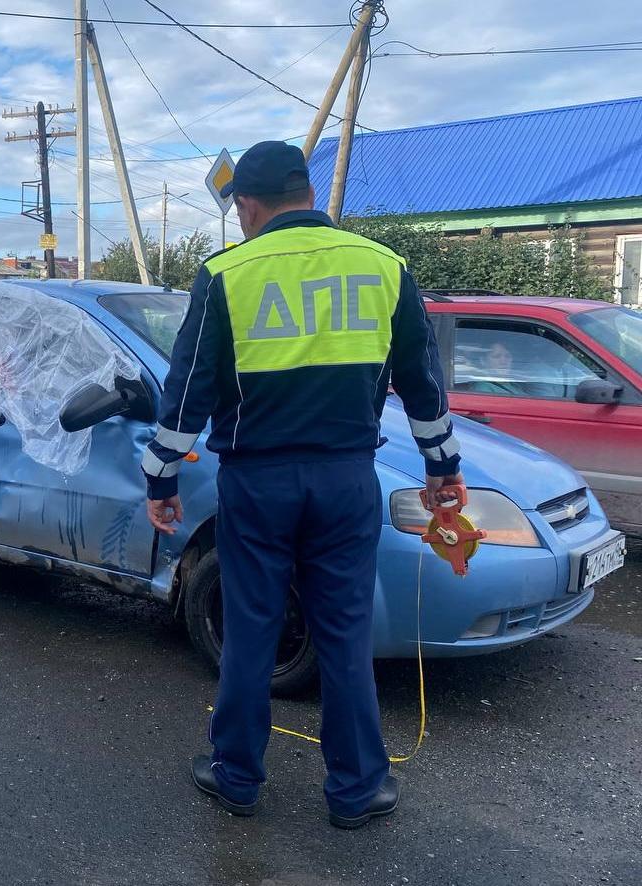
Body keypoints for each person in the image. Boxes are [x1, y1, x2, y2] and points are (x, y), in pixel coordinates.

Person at [141, 141, 464, 830]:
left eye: (240, 214)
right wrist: (443, 470)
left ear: (249, 206)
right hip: (348, 478)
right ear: (309, 195)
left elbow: (188, 389)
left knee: (251, 629)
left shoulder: (227, 273)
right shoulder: (386, 267)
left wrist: (160, 476)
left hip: (258, 482)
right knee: (343, 632)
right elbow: (422, 383)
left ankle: (237, 779)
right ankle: (357, 790)